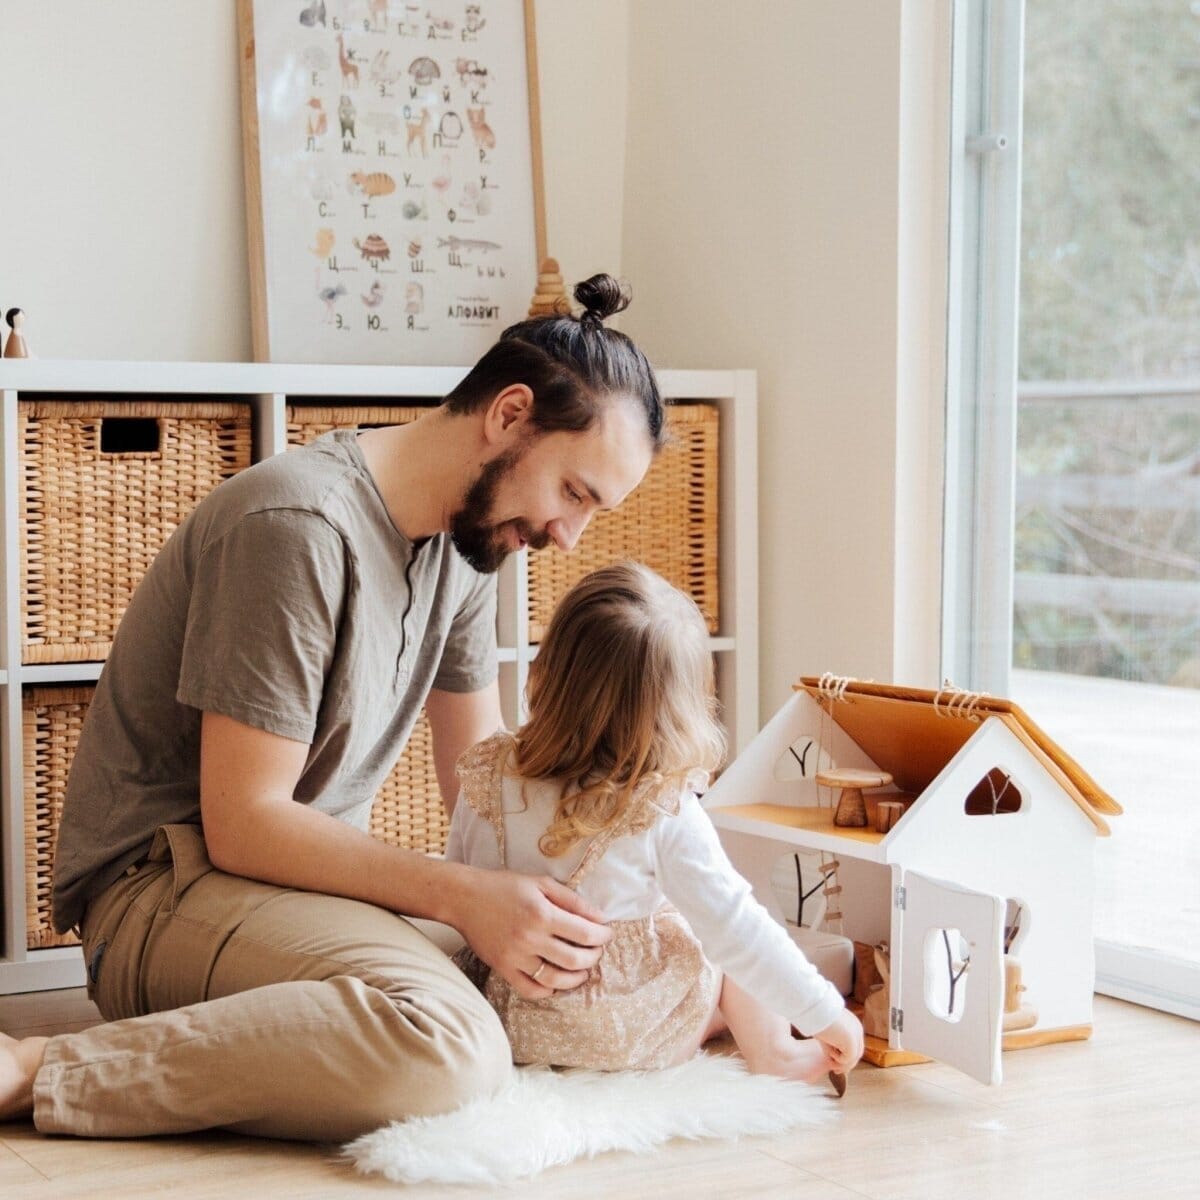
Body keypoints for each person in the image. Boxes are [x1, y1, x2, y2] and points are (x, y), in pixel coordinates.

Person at [0, 275, 666, 1141]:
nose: (567, 536)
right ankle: (34, 1069)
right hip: (164, 888)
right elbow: (244, 822)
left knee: (549, 976)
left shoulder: (467, 548)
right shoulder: (297, 525)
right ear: (509, 415)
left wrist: (604, 876)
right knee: (452, 1047)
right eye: (575, 493)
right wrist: (467, 899)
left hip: (289, 890)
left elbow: (484, 780)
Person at [445, 562, 865, 1085]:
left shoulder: (488, 773)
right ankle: (775, 1050)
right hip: (621, 1033)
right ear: (680, 711)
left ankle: (720, 1021)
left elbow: (457, 883)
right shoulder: (661, 808)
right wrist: (828, 1013)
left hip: (509, 1017)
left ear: (545, 671)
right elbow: (740, 930)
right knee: (720, 933)